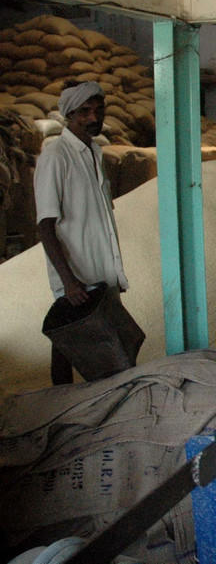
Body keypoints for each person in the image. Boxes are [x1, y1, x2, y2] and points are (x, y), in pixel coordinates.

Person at [34, 81, 129, 384]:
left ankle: (99, 402)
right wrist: (68, 281)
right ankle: (62, 407)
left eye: (98, 110)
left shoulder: (94, 153)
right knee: (67, 344)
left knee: (97, 344)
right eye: (84, 111)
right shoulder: (55, 156)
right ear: (68, 114)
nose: (93, 117)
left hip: (100, 267)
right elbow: (45, 225)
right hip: (76, 275)